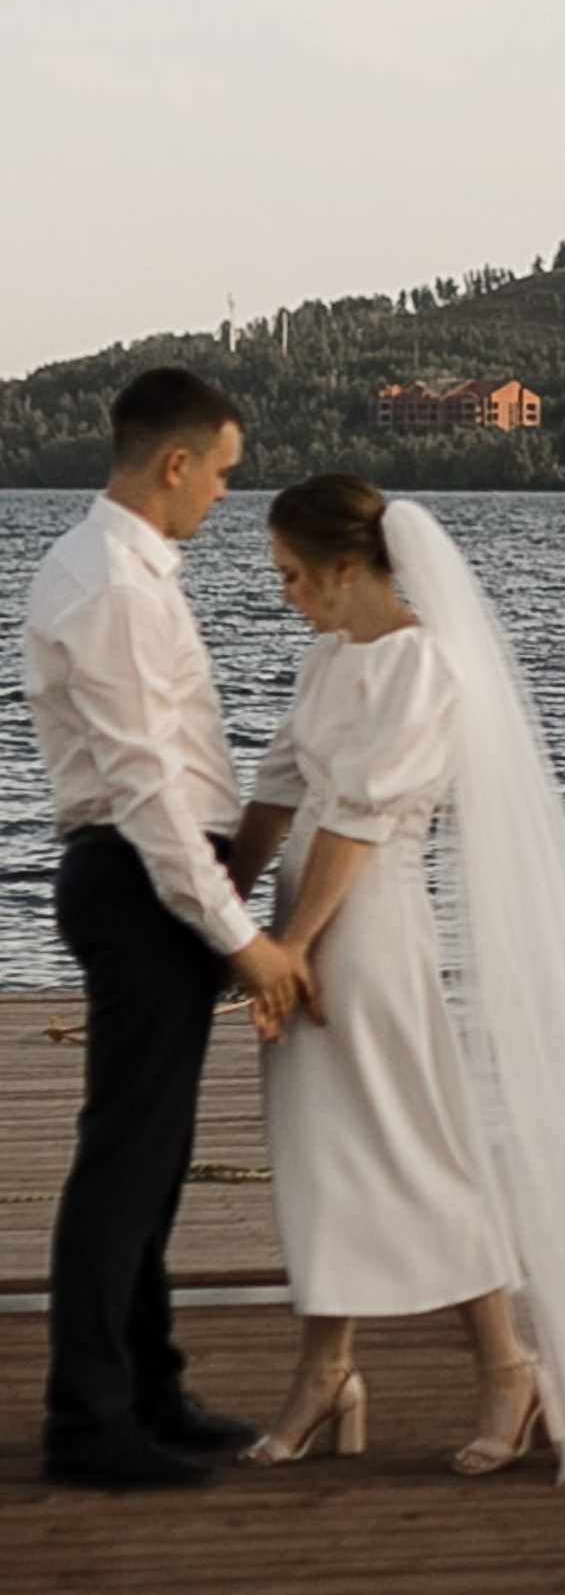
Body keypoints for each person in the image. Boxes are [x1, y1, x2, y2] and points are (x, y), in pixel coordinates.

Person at [230, 476, 565, 1483]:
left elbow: (357, 822)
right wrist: (223, 914)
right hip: (301, 918)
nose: (286, 595)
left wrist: (294, 946)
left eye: (294, 576)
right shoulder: (329, 655)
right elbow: (276, 789)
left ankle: (504, 1368)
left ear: (348, 569)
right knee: (322, 1154)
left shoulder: (425, 666)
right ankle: (327, 1368)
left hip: (368, 925)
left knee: (417, 1151)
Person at [21, 367, 315, 1490]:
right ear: (175, 463)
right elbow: (145, 784)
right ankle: (88, 1423)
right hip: (140, 880)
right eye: (225, 475)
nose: (227, 498)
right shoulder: (111, 586)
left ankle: (146, 1384)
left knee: (154, 1154)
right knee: (124, 1158)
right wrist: (238, 932)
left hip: (155, 875)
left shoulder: (128, 572)